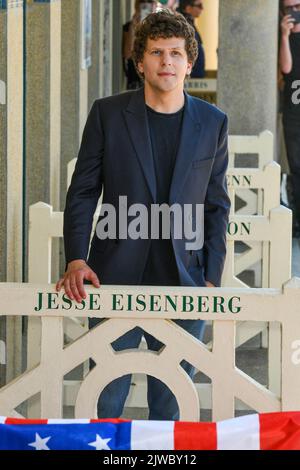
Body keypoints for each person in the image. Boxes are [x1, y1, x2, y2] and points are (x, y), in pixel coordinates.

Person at [57, 9, 230, 420]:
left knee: (172, 400)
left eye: (175, 53)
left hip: (186, 278)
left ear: (190, 62)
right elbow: (82, 191)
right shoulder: (108, 113)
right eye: (156, 52)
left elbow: (217, 204)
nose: (166, 62)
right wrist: (77, 258)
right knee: (105, 394)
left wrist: (211, 277)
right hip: (113, 272)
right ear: (140, 63)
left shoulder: (213, 122)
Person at [279, 0, 300, 237]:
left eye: (298, 6)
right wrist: (285, 35)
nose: (294, 11)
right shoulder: (283, 37)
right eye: (290, 7)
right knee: (296, 168)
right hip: (293, 113)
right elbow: (286, 68)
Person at [122, 0, 158, 90]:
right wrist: (133, 27)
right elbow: (127, 54)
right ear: (136, 5)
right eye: (142, 2)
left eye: (150, 2)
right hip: (135, 81)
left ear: (155, 5)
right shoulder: (129, 27)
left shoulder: (159, 29)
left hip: (154, 80)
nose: (146, 4)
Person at [177, 0, 205, 78]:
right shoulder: (182, 25)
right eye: (199, 6)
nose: (202, 9)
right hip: (190, 75)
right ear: (188, 8)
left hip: (192, 73)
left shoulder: (188, 23)